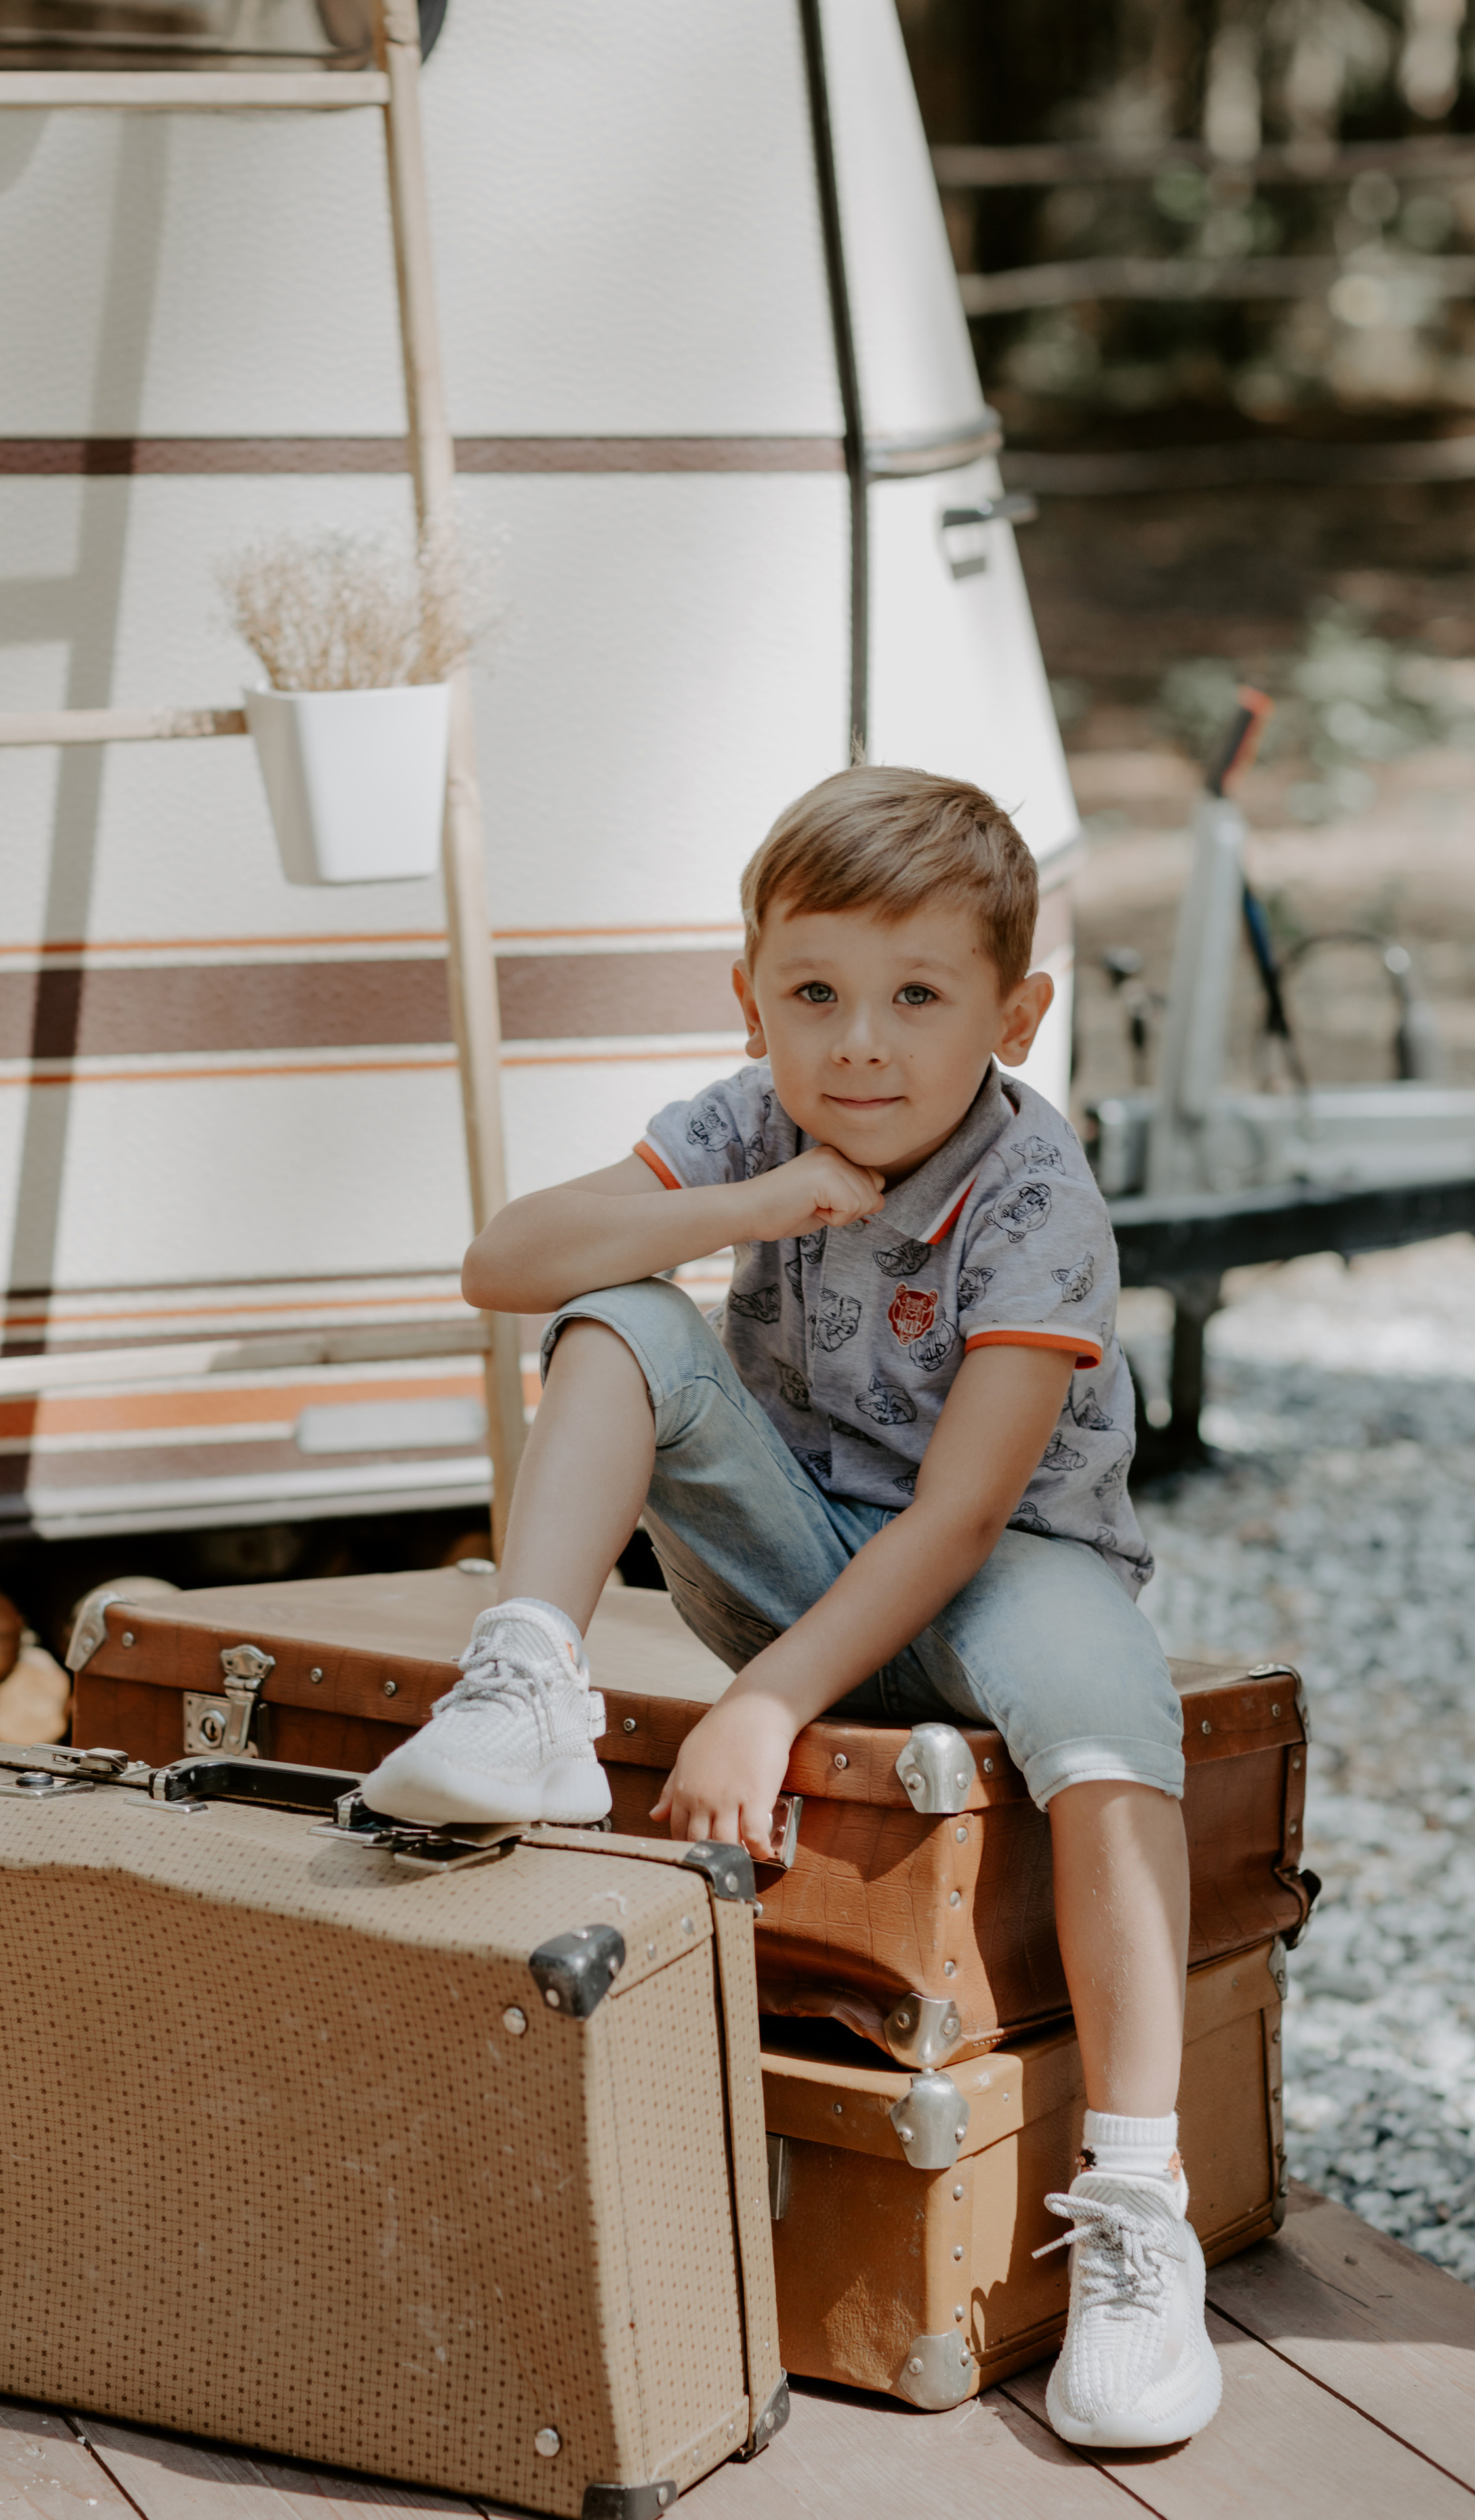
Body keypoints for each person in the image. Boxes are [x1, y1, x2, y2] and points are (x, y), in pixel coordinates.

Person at [364, 765, 1218, 2450]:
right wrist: (748, 1207)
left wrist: (764, 1705)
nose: (858, 1046)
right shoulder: (755, 1122)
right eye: (812, 995)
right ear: (748, 996)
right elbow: (499, 1262)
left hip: (1000, 1571)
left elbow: (961, 1514)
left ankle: (1135, 2204)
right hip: (788, 1559)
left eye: (918, 998)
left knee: (1110, 1731)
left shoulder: (1036, 1199)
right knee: (616, 1309)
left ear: (1017, 1016)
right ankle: (524, 1685)